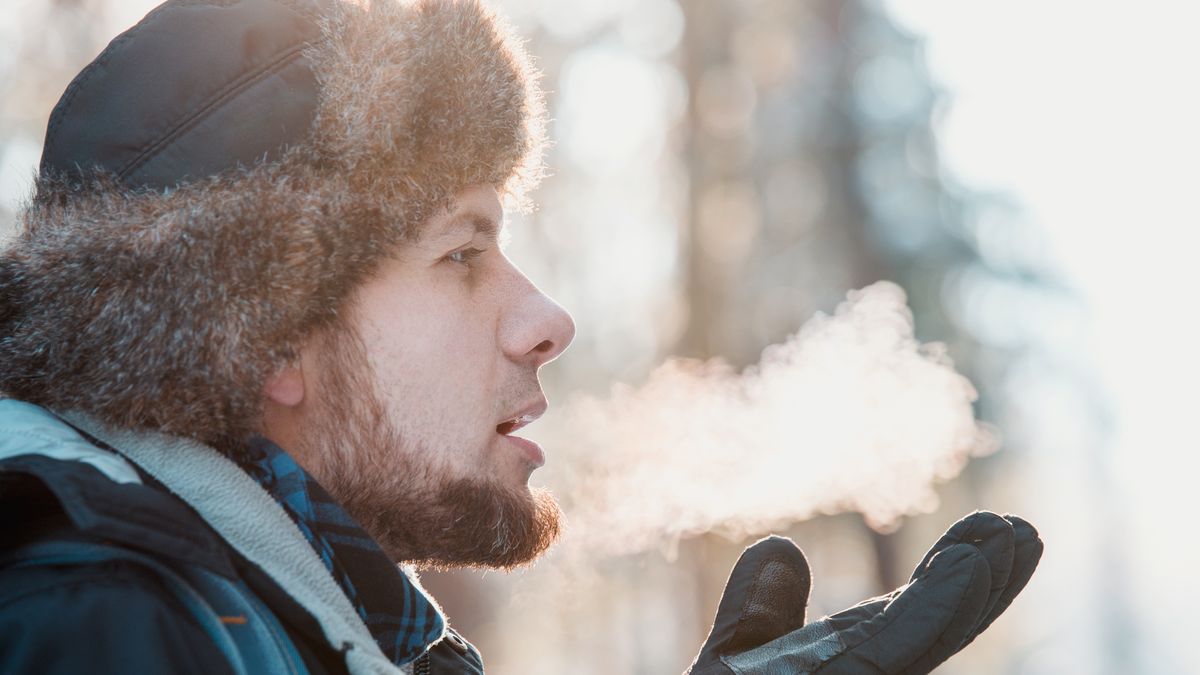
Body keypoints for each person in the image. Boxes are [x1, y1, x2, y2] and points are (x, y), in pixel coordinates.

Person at [0, 0, 1042, 673]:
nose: (549, 320)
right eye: (462, 253)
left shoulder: (271, 615)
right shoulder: (99, 619)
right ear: (263, 327)